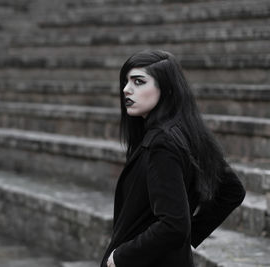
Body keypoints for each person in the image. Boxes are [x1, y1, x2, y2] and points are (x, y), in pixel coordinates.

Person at [100, 50, 246, 267]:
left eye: (138, 82)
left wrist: (120, 257)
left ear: (166, 88)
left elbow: (174, 224)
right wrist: (190, 238)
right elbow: (232, 191)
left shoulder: (162, 144)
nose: (126, 90)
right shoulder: (184, 132)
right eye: (125, 81)